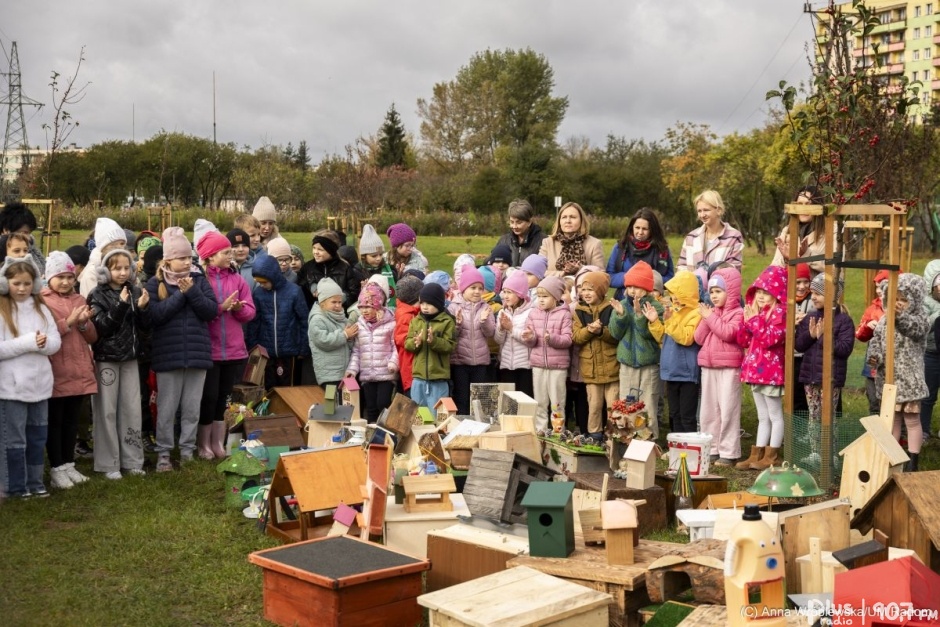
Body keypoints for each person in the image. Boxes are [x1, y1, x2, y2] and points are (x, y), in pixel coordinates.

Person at [146, 229, 217, 472]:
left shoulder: (198, 280)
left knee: (191, 407)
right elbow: (156, 316)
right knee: (166, 408)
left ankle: (187, 451)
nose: (188, 262)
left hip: (197, 355)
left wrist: (192, 292)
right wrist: (181, 296)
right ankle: (164, 453)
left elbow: (211, 311)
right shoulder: (155, 283)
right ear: (168, 260)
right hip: (168, 356)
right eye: (182, 258)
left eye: (190, 258)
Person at [0, 257, 61, 498]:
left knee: (37, 437)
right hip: (11, 388)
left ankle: (35, 482)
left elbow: (55, 341)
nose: (22, 289)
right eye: (16, 283)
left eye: (27, 283)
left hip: (40, 385)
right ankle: (15, 485)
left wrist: (44, 344)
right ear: (6, 284)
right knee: (14, 440)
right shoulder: (3, 311)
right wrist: (28, 343)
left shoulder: (41, 308)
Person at [87, 248, 150, 479]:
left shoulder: (135, 290)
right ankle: (108, 463)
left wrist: (143, 308)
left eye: (127, 267)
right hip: (107, 359)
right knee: (106, 411)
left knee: (132, 409)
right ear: (106, 270)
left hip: (131, 359)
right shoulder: (97, 295)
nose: (123, 273)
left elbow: (144, 328)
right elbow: (102, 328)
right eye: (117, 268)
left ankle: (133, 460)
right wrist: (122, 305)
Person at [196, 231, 255, 460]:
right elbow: (202, 312)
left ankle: (217, 443)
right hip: (209, 350)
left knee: (224, 397)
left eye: (230, 251)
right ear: (210, 256)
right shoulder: (203, 281)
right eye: (225, 252)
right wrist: (220, 307)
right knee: (208, 397)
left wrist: (240, 308)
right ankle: (203, 443)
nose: (231, 255)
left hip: (233, 349)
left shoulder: (237, 279)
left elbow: (250, 311)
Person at [41, 252, 97, 489]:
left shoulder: (79, 299)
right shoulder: (43, 301)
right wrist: (69, 322)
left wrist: (84, 322)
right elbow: (47, 333)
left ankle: (68, 464)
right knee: (56, 421)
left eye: (69, 277)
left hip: (79, 369)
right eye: (60, 277)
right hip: (57, 369)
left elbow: (93, 336)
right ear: (49, 277)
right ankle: (56, 467)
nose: (65, 282)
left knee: (72, 421)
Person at [869, 273, 930, 471]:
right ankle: (892, 457)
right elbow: (876, 342)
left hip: (910, 379)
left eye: (904, 299)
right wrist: (874, 357)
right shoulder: (885, 321)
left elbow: (913, 329)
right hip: (890, 378)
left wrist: (900, 317)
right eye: (895, 299)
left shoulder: (920, 319)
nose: (899, 304)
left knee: (911, 420)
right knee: (892, 419)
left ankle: (913, 461)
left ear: (914, 300)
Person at [795, 275, 855, 467]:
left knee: (828, 416)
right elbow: (799, 345)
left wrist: (822, 337)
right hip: (810, 377)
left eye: (818, 293)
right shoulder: (810, 317)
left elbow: (844, 349)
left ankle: (830, 454)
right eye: (812, 293)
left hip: (830, 379)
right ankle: (815, 452)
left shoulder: (844, 321)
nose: (813, 297)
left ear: (832, 296)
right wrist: (811, 335)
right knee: (813, 415)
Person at [736, 265, 788, 470]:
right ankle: (756, 454)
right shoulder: (756, 314)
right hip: (755, 372)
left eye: (766, 292)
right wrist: (745, 320)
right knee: (762, 416)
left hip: (772, 373)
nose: (761, 296)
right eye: (758, 291)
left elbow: (769, 339)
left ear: (776, 294)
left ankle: (772, 455)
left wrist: (755, 320)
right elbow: (743, 340)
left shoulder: (781, 314)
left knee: (775, 415)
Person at [693, 267, 744, 466]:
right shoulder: (711, 312)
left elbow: (728, 333)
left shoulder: (738, 313)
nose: (714, 296)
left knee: (728, 409)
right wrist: (708, 316)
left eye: (718, 291)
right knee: (708, 410)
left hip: (729, 368)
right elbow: (698, 338)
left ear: (730, 292)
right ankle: (711, 448)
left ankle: (729, 452)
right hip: (709, 366)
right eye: (711, 292)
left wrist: (710, 317)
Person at [610, 261, 665, 440]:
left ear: (647, 289)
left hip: (648, 363)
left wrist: (640, 316)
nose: (633, 290)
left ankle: (648, 439)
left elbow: (650, 335)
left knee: (647, 402)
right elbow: (615, 333)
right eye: (630, 286)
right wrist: (620, 316)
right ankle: (628, 437)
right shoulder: (622, 305)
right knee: (628, 401)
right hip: (627, 362)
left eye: (638, 287)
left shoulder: (655, 307)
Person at [248, 255, 310, 388]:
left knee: (288, 387)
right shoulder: (258, 293)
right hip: (266, 352)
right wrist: (252, 346)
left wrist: (303, 347)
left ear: (273, 276)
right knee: (269, 387)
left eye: (265, 282)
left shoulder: (294, 291)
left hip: (290, 351)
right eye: (260, 283)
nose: (262, 285)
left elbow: (304, 321)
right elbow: (254, 321)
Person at [572, 271, 619, 440]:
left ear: (600, 291)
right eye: (583, 290)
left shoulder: (611, 309)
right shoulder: (579, 311)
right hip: (590, 369)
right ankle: (595, 435)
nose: (586, 293)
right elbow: (576, 337)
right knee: (594, 405)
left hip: (611, 367)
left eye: (590, 290)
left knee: (613, 405)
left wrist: (601, 331)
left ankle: (614, 436)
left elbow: (616, 336)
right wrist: (589, 331)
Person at [523, 276, 572, 433]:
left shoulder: (564, 314)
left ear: (556, 297)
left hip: (557, 367)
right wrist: (530, 337)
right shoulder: (533, 314)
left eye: (545, 296)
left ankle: (558, 433)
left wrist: (552, 338)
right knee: (540, 401)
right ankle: (541, 431)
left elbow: (567, 339)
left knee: (557, 402)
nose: (541, 300)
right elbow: (530, 339)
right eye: (539, 296)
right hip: (538, 365)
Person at [448, 265, 496, 416]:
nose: (477, 291)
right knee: (462, 397)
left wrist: (484, 321)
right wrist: (458, 324)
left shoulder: (485, 308)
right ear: (463, 289)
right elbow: (452, 336)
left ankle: (479, 427)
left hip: (480, 362)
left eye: (480, 288)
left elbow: (490, 333)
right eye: (473, 287)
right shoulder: (453, 308)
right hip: (460, 362)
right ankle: (462, 426)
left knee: (479, 399)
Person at [345, 284, 398, 421]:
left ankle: (387, 431)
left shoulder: (390, 323)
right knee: (371, 408)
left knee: (383, 403)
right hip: (367, 374)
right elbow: (357, 350)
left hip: (386, 373)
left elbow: (395, 347)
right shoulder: (360, 325)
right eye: (361, 307)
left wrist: (393, 362)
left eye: (368, 307)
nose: (364, 311)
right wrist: (352, 369)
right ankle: (372, 436)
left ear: (377, 305)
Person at [406, 283, 456, 412]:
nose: (425, 307)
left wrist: (434, 342)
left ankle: (435, 432)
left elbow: (450, 345)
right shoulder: (416, 321)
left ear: (439, 304)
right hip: (418, 377)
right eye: (422, 303)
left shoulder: (447, 322)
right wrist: (415, 343)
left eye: (429, 304)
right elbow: (408, 343)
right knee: (418, 414)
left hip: (438, 379)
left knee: (437, 414)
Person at [607, 208, 675, 301]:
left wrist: (647, 280)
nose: (640, 232)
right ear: (632, 227)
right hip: (623, 300)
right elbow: (609, 277)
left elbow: (670, 278)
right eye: (637, 228)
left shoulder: (662, 249)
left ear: (652, 230)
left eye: (645, 229)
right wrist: (631, 277)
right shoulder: (620, 247)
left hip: (652, 302)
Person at [677, 190, 744, 273]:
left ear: (718, 210)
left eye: (706, 210)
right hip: (693, 285)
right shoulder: (691, 237)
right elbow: (681, 268)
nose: (702, 215)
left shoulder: (733, 236)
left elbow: (734, 270)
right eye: (699, 211)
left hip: (719, 285)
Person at [308, 278, 355, 389]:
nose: (338, 305)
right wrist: (345, 335)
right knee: (331, 402)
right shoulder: (317, 319)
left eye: (340, 302)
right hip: (329, 374)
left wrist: (350, 338)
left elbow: (348, 342)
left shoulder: (342, 318)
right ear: (322, 302)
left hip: (344, 371)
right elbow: (323, 341)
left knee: (347, 402)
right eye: (333, 302)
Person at [772, 186, 829, 276]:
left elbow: (835, 270)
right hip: (790, 286)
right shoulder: (787, 230)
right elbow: (775, 265)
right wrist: (787, 258)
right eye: (800, 204)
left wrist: (807, 254)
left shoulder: (831, 230)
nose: (803, 209)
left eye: (808, 204)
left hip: (817, 289)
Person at [538, 202, 605, 277]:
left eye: (573, 217)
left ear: (581, 220)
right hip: (552, 287)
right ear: (559, 221)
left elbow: (601, 275)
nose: (568, 221)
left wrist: (580, 270)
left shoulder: (594, 244)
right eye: (564, 217)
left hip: (582, 287)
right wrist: (563, 273)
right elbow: (537, 271)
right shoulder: (548, 243)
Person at [298, 230, 361, 310]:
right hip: (314, 314)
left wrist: (341, 299)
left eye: (320, 250)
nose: (315, 252)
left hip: (339, 314)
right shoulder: (307, 268)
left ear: (331, 250)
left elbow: (353, 292)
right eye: (314, 248)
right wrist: (310, 285)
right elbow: (300, 286)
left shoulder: (345, 268)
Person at [494, 272, 534, 398]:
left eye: (509, 292)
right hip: (506, 365)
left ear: (520, 293)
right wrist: (501, 328)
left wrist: (511, 329)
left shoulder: (530, 313)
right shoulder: (502, 312)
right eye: (504, 292)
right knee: (508, 402)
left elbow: (529, 341)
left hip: (525, 366)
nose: (505, 296)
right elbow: (498, 341)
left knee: (524, 401)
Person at [856, 270, 889, 415]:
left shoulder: (899, 307)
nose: (879, 290)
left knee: (892, 401)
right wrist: (867, 327)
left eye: (882, 286)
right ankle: (874, 432)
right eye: (877, 287)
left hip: (893, 357)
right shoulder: (872, 309)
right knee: (873, 397)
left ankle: (898, 435)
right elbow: (859, 335)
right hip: (874, 356)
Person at [80, 217, 128, 298]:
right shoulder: (91, 273)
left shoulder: (127, 266)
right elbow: (93, 304)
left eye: (123, 243)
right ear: (103, 246)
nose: (121, 247)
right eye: (115, 244)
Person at [393, 275, 423, 397]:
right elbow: (402, 339)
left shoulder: (414, 312)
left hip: (415, 368)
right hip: (411, 369)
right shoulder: (406, 316)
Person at [920, 259, 940, 440]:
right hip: (931, 353)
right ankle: (923, 430)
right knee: (927, 395)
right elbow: (923, 326)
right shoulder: (924, 302)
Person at [496, 199, 547, 267]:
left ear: (529, 222)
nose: (514, 226)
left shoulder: (544, 241)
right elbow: (493, 262)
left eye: (519, 222)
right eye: (511, 222)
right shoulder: (504, 240)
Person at [0, 201, 46, 275]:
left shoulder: (32, 248)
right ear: (6, 230)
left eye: (28, 233)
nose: (27, 237)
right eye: (23, 232)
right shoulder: (2, 247)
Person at [358, 224, 398, 308]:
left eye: (380, 254)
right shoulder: (357, 271)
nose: (378, 258)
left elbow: (396, 288)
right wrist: (362, 290)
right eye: (374, 256)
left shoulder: (390, 269)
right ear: (364, 256)